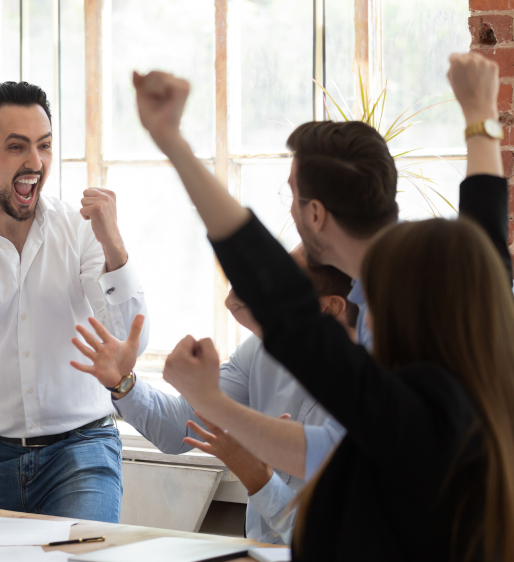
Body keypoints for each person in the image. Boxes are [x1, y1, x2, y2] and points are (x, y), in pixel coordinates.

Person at [131, 52, 513, 560]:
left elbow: (288, 312)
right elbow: (487, 240)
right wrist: (478, 119)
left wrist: (173, 142)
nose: (362, 315)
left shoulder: (404, 410)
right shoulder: (476, 370)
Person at [0, 81, 149, 522]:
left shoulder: (81, 229)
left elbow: (128, 344)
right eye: (17, 147)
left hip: (81, 449)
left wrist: (114, 242)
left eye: (44, 146)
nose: (35, 163)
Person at [71, 247, 357, 544]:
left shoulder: (377, 395)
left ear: (329, 308)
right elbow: (180, 429)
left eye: (287, 280)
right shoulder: (260, 351)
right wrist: (123, 381)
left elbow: (330, 538)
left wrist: (260, 481)